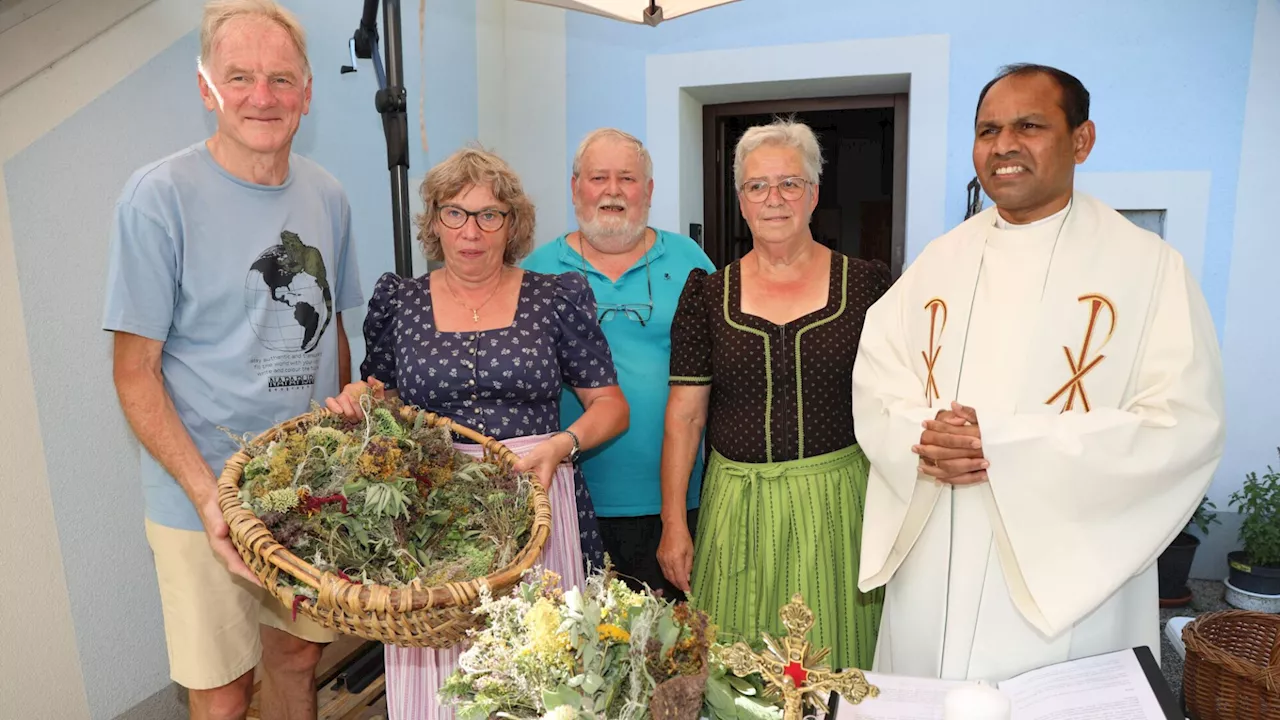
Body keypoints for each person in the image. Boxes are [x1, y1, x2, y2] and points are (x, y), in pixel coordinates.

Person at [853, 64, 1225, 682]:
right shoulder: (938, 261)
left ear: (1082, 140)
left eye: (1029, 126)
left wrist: (1005, 448)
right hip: (936, 557)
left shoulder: (1149, 268)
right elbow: (878, 382)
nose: (1003, 146)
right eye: (988, 130)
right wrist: (926, 437)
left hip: (1068, 576)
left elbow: (1183, 426)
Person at [103, 1, 364, 718]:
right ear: (205, 88)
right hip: (202, 498)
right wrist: (209, 496)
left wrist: (342, 432)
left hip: (304, 492)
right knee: (221, 696)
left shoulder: (329, 197)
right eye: (240, 76)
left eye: (281, 79)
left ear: (307, 93)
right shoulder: (157, 200)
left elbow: (334, 331)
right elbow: (135, 373)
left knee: (299, 660)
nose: (262, 96)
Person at [325, 146, 629, 720]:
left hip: (536, 502)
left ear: (512, 224)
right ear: (434, 221)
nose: (472, 230)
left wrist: (561, 445)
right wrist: (356, 397)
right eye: (455, 213)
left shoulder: (554, 297)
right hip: (434, 510)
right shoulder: (402, 301)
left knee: (543, 669)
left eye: (490, 214)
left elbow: (610, 407)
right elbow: (381, 386)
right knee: (442, 672)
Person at [659, 118, 890, 671]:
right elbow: (685, 418)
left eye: (790, 183)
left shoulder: (868, 286)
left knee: (833, 662)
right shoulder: (706, 295)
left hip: (837, 502)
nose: (774, 199)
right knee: (733, 666)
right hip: (734, 504)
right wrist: (673, 521)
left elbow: (896, 404)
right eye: (758, 185)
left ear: (814, 194)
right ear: (741, 200)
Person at [522, 128, 714, 600]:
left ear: (648, 191)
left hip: (676, 503)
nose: (612, 191)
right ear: (575, 188)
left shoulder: (690, 262)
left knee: (674, 653)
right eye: (598, 177)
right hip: (568, 502)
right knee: (579, 654)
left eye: (627, 178)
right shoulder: (537, 271)